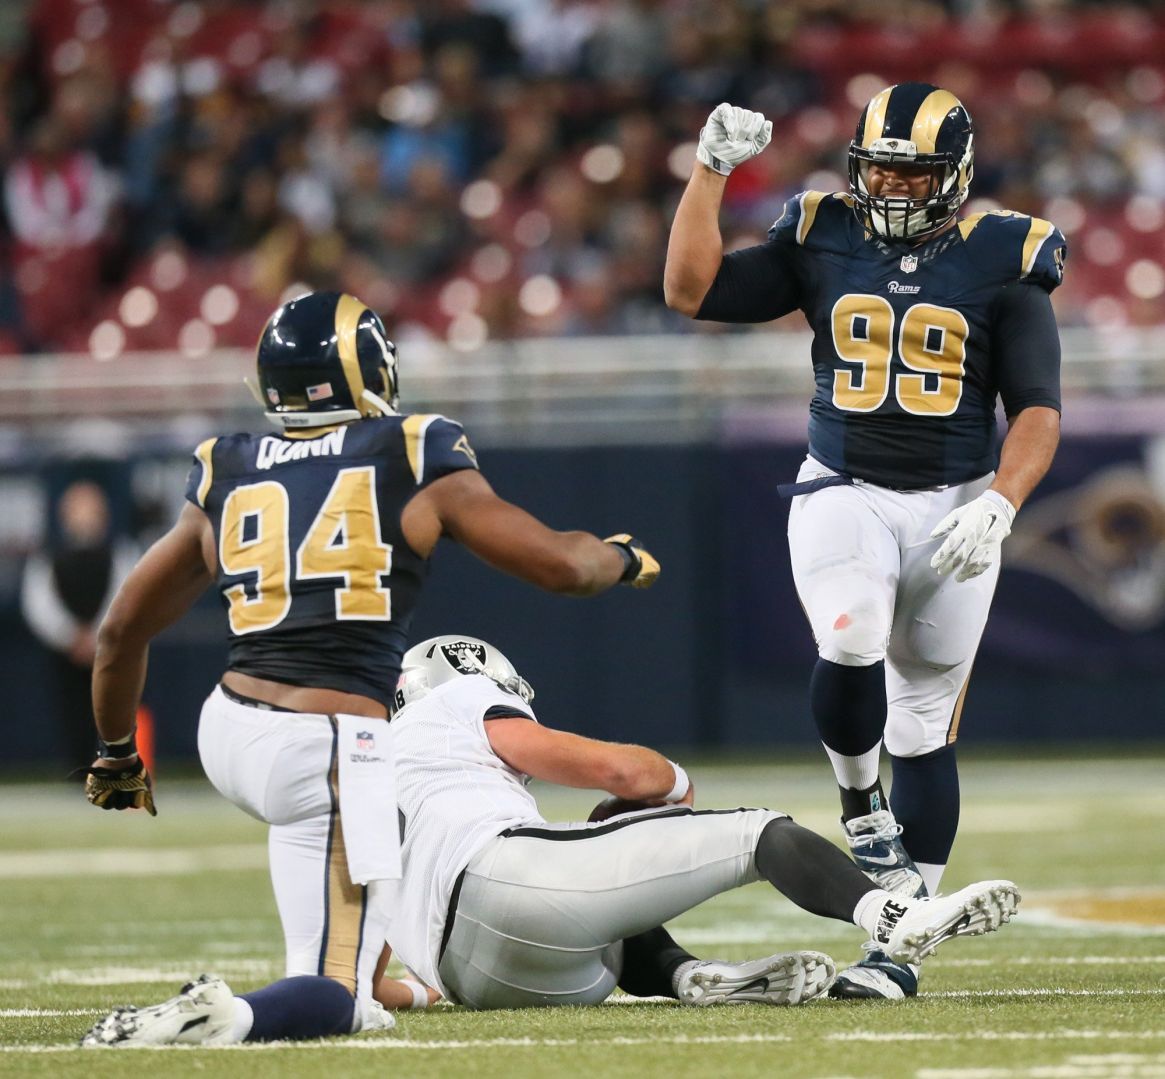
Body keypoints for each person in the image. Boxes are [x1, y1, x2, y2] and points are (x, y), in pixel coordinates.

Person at [79, 290, 660, 1048]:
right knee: (337, 995)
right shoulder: (412, 450)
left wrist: (117, 751)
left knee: (329, 956)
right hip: (326, 749)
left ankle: (340, 980)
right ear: (371, 370)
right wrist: (620, 559)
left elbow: (121, 630)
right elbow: (558, 565)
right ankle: (224, 1014)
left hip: (228, 726)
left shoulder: (228, 463)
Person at [663, 86, 1064, 999]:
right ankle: (857, 799)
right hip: (843, 484)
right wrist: (709, 172)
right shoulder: (822, 231)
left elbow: (1037, 407)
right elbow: (690, 290)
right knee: (847, 633)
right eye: (877, 163)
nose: (886, 183)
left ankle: (897, 948)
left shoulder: (1006, 257)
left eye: (909, 169)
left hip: (957, 499)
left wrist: (1001, 501)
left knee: (923, 726)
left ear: (953, 176)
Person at [379, 634, 1018, 1011]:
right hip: (513, 900)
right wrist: (674, 781)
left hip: (469, 980)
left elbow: (365, 939)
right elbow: (625, 776)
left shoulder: (370, 765)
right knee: (759, 831)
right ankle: (898, 916)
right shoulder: (458, 703)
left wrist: (416, 992)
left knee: (603, 902)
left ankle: (689, 977)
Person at [21, 479, 137, 774]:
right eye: (77, 508)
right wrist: (71, 636)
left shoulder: (120, 551)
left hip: (110, 651)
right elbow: (40, 603)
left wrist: (99, 635)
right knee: (71, 711)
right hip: (66, 654)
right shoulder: (49, 555)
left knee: (112, 710)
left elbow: (126, 593)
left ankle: (115, 768)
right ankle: (75, 771)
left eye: (91, 508)